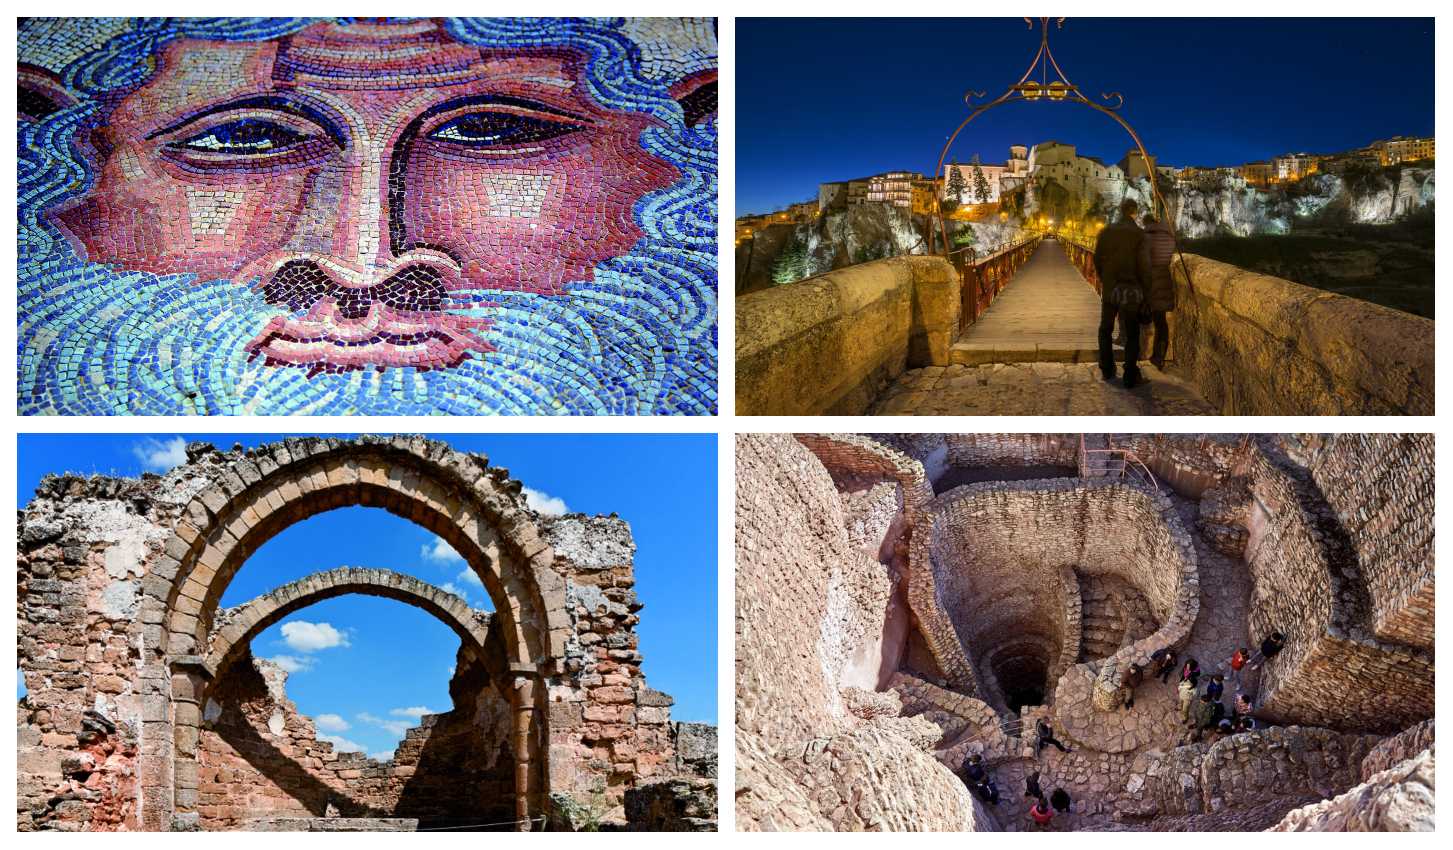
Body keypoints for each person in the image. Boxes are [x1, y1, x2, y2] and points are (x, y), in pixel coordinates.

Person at [1093, 198, 1153, 388]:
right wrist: (1146, 291)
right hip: (1132, 289)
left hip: (1111, 287)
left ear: (1120, 211)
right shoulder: (1140, 235)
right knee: (1132, 331)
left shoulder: (1106, 232)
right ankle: (1129, 373)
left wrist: (1105, 279)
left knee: (1106, 328)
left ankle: (1107, 367)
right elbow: (1145, 266)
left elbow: (1097, 259)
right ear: (1134, 213)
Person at [1140, 214, 1177, 370]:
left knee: (1145, 317)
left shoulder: (1145, 238)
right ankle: (1159, 357)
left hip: (1150, 281)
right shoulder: (1169, 237)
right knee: (1161, 322)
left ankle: (1140, 353)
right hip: (1165, 279)